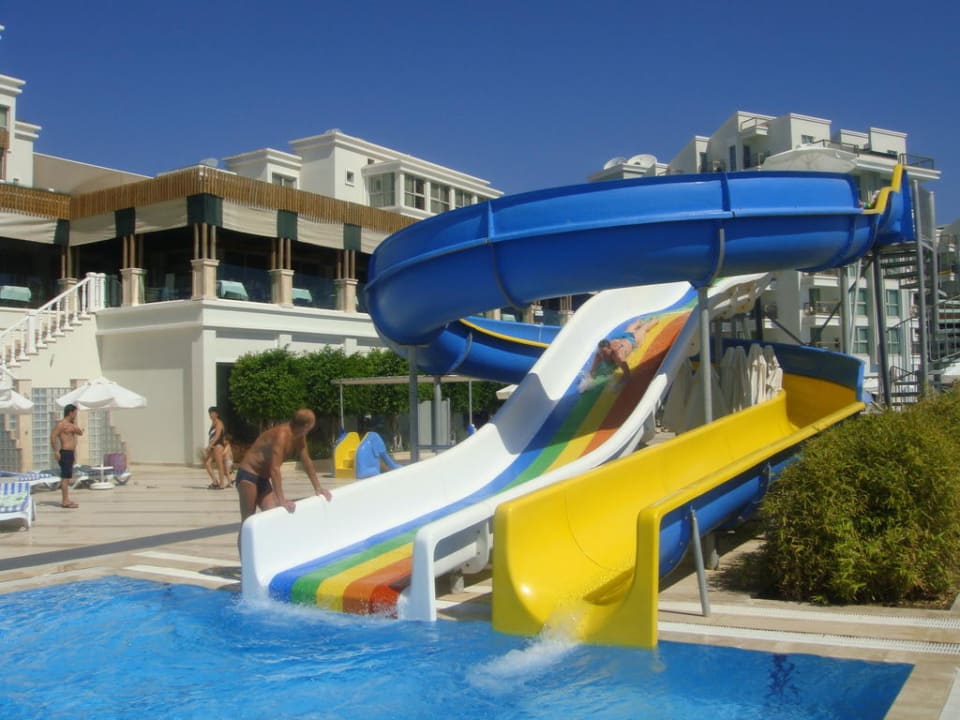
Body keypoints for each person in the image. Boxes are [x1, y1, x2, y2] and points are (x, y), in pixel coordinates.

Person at [235, 408, 332, 546]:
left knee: (273, 514)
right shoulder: (282, 435)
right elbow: (274, 469)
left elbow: (306, 461)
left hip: (262, 478)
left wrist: (318, 488)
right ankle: (244, 559)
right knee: (247, 521)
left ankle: (265, 551)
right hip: (248, 475)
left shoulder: (299, 436)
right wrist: (282, 500)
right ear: (306, 426)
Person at [583, 317, 659, 389]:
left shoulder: (618, 356)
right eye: (601, 353)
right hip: (618, 338)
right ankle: (638, 322)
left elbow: (627, 373)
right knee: (628, 330)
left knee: (643, 329)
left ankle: (654, 320)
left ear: (610, 349)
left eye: (605, 353)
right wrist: (587, 382)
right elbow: (593, 370)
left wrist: (618, 385)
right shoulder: (599, 354)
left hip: (630, 340)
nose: (603, 356)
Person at [50, 403, 83, 509]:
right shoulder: (61, 424)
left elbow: (80, 433)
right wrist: (56, 451)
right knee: (65, 477)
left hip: (70, 453)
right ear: (70, 412)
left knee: (67, 477)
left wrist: (73, 427)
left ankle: (66, 500)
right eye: (75, 413)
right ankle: (65, 501)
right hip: (65, 452)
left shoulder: (71, 425)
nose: (76, 415)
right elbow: (53, 436)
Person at [203, 406, 229, 489]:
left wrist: (210, 445)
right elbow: (212, 436)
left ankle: (221, 484)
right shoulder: (213, 423)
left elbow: (217, 436)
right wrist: (209, 446)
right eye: (209, 413)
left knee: (219, 465)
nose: (210, 415)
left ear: (217, 414)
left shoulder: (219, 423)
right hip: (213, 446)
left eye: (212, 413)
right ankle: (215, 482)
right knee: (207, 463)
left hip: (218, 446)